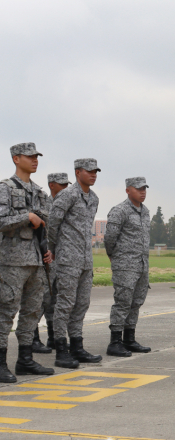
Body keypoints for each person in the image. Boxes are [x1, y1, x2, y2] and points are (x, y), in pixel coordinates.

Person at [0, 143, 55, 383]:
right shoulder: (5, 188)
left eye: (36, 157)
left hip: (36, 260)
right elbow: (1, 220)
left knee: (32, 312)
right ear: (16, 158)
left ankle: (25, 359)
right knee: (5, 312)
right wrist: (27, 217)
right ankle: (1, 363)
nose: (35, 160)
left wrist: (48, 250)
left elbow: (45, 224)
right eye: (30, 157)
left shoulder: (40, 192)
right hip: (12, 261)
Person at [48, 158, 103, 368]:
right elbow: (53, 223)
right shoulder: (67, 195)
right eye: (89, 171)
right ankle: (61, 350)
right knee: (65, 304)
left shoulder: (94, 198)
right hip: (67, 259)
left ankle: (77, 347)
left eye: (96, 171)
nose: (93, 175)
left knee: (82, 304)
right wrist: (54, 249)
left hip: (85, 260)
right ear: (78, 172)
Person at [104, 177, 153, 357]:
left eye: (144, 189)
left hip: (141, 265)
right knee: (123, 302)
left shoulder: (145, 211)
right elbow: (109, 239)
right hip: (125, 265)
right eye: (139, 189)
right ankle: (115, 342)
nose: (143, 192)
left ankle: (129, 339)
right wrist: (116, 258)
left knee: (136, 302)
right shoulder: (120, 211)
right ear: (127, 190)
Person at [32, 172, 71, 353]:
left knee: (54, 301)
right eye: (61, 184)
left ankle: (53, 338)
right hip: (45, 258)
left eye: (67, 184)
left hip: (61, 259)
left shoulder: (68, 204)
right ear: (52, 185)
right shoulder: (43, 205)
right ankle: (32, 339)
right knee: (40, 300)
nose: (65, 188)